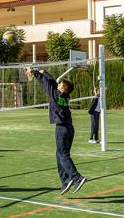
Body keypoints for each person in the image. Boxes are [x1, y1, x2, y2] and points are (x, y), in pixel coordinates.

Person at [25, 67, 87, 195]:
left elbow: (47, 85)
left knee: (63, 155)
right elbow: (52, 82)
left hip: (62, 129)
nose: (58, 84)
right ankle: (65, 181)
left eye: (60, 84)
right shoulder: (64, 95)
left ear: (63, 89)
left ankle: (77, 178)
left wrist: (35, 73)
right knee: (60, 155)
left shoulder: (55, 95)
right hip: (69, 128)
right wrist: (44, 72)